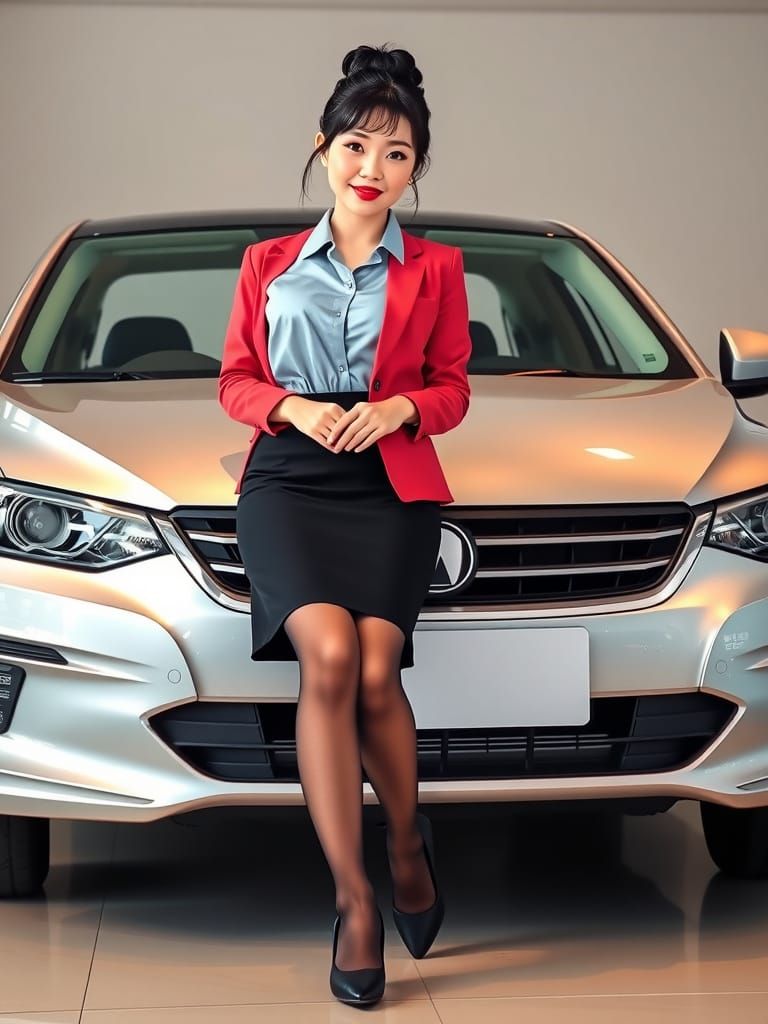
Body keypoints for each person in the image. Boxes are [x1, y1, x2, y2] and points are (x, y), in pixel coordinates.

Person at [218, 42, 472, 1007]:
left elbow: (452, 389)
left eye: (398, 154)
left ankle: (409, 846)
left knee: (374, 667)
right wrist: (291, 409)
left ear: (415, 170)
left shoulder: (439, 268)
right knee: (327, 658)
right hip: (288, 478)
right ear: (323, 148)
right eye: (358, 145)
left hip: (390, 485)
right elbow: (236, 378)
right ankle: (356, 899)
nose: (374, 168)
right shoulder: (267, 264)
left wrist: (401, 409)